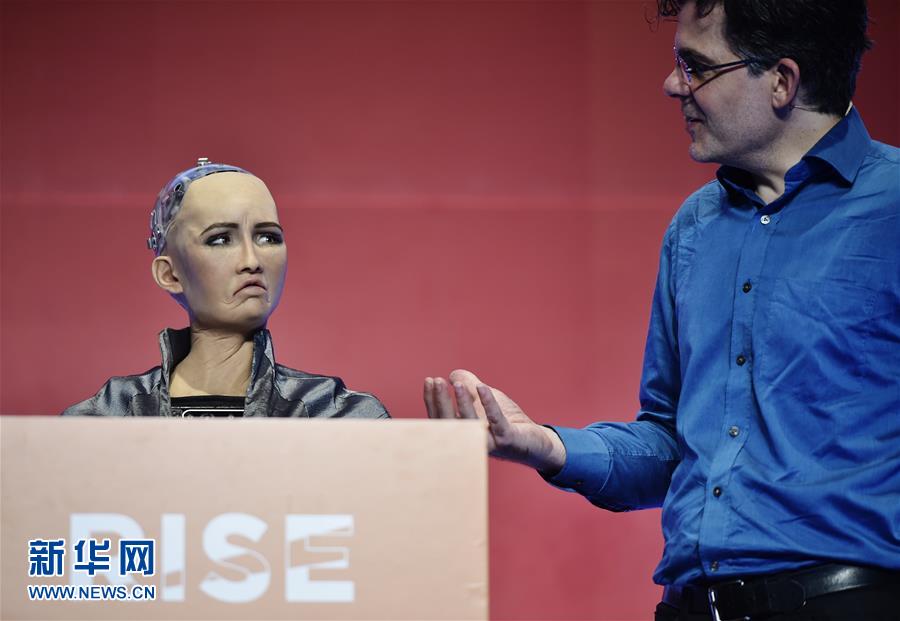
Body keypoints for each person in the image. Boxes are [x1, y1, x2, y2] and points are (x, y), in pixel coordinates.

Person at [425, 1, 899, 619]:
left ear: (782, 81)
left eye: (696, 66)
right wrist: (544, 445)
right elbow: (673, 443)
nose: (673, 85)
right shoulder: (694, 228)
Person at [64, 159, 388, 419]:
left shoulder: (336, 415)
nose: (252, 261)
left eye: (268, 237)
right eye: (220, 239)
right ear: (170, 274)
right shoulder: (107, 418)